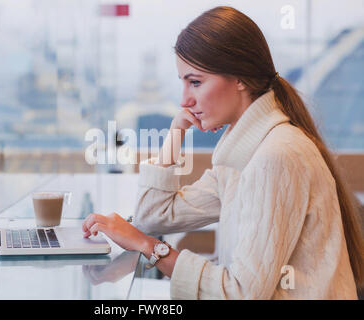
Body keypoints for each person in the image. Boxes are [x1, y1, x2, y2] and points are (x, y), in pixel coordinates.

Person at [82, 6, 363, 299]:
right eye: (183, 82)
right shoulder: (245, 154)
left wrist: (147, 246)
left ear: (240, 78)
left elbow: (241, 293)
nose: (184, 100)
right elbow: (153, 216)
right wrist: (175, 132)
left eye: (196, 82)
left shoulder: (276, 155)